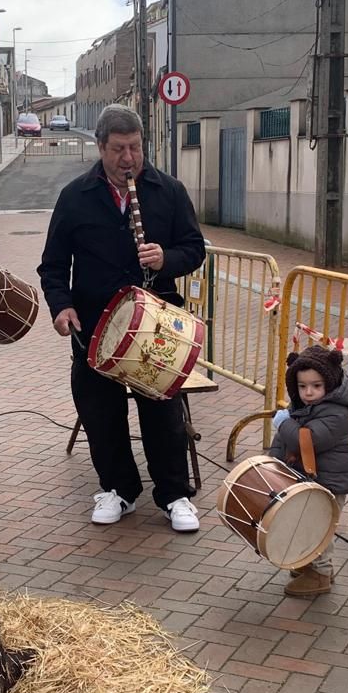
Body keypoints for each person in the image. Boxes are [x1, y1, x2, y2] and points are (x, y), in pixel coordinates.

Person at [37, 103, 206, 532]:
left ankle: (174, 495)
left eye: (135, 148)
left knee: (162, 412)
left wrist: (166, 257)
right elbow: (53, 266)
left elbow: (194, 248)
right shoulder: (75, 196)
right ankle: (118, 489)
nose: (128, 158)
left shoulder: (168, 190)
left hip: (155, 321)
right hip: (94, 323)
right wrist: (62, 307)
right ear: (100, 148)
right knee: (100, 411)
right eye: (118, 149)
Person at [266, 346, 348, 596]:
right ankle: (308, 563)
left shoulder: (337, 412)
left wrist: (284, 423)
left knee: (318, 526)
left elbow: (305, 440)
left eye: (316, 386)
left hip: (329, 480)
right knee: (304, 522)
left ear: (329, 384)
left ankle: (320, 572)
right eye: (302, 386)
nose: (308, 392)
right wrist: (272, 464)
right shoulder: (303, 405)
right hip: (309, 477)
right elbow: (285, 440)